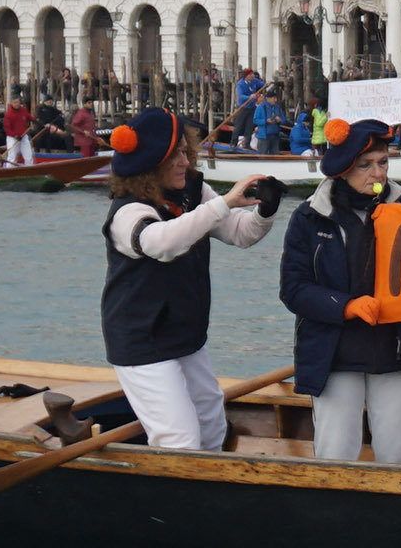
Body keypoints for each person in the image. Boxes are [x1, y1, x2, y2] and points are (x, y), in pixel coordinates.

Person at [97, 108, 282, 452]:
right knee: (179, 439)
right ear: (152, 164)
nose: (186, 161)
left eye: (186, 151)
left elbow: (241, 233)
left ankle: (209, 496)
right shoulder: (127, 212)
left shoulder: (194, 193)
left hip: (185, 334)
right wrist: (224, 204)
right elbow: (162, 243)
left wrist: (265, 211)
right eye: (176, 155)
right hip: (141, 341)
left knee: (212, 425)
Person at [280, 116, 401, 463]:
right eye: (366, 165)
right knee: (335, 454)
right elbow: (293, 289)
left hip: (397, 348)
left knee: (397, 455)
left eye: (383, 163)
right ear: (343, 170)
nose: (378, 174)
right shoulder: (309, 217)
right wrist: (345, 306)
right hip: (333, 353)